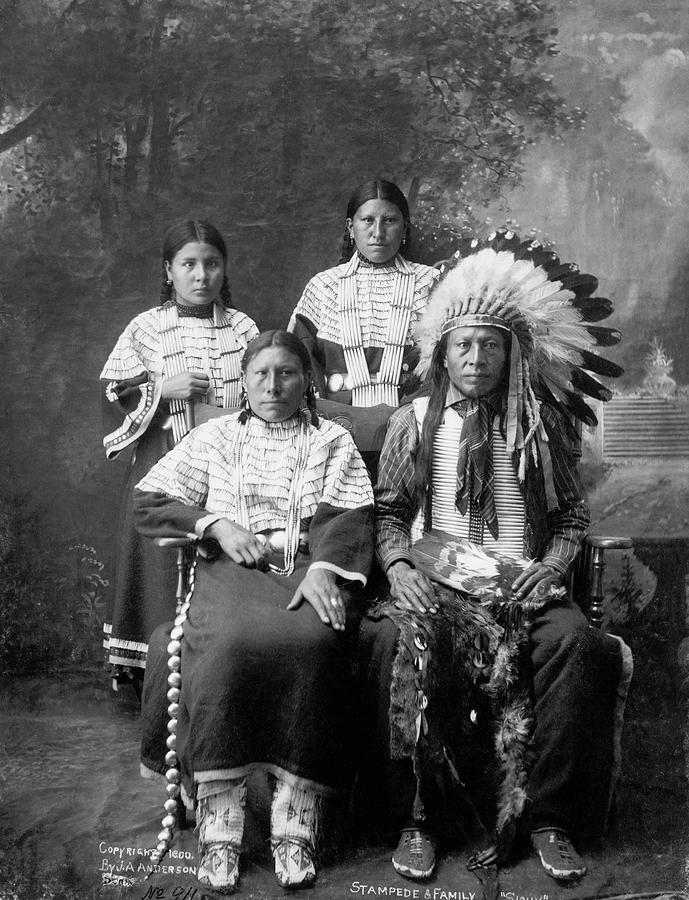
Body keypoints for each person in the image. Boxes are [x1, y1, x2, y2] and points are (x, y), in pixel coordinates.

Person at [357, 230, 633, 884]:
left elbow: (569, 516)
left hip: (521, 587)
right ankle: (417, 817)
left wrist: (553, 564)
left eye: (489, 344)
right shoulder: (414, 422)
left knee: (583, 648)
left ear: (511, 353)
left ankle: (549, 818)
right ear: (443, 356)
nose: (476, 356)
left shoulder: (542, 423)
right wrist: (397, 568)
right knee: (389, 642)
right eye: (464, 344)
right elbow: (392, 513)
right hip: (439, 583)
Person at [134, 330, 374, 893]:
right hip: (229, 573)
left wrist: (321, 571)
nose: (273, 386)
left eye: (287, 373)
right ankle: (221, 828)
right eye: (261, 374)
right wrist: (214, 524)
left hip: (306, 570)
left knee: (316, 643)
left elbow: (350, 516)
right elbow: (149, 500)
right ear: (242, 381)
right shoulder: (214, 437)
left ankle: (295, 824)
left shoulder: (330, 440)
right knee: (225, 649)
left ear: (306, 379)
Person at [100, 221, 259, 690]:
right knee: (160, 570)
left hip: (229, 468)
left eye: (211, 264)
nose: (201, 275)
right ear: (169, 271)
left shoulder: (242, 327)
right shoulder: (146, 328)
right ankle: (156, 677)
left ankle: (220, 668)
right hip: (163, 461)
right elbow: (111, 394)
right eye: (188, 264)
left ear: (223, 269)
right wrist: (159, 390)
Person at [288, 178, 438, 408]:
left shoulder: (431, 284)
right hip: (335, 418)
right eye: (368, 220)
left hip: (412, 418)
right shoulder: (323, 286)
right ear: (350, 227)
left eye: (389, 220)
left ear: (405, 226)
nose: (378, 233)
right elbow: (299, 360)